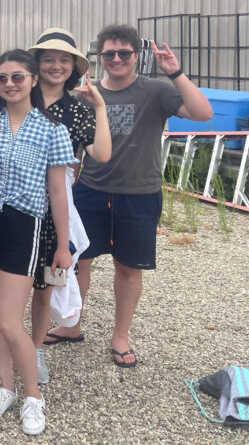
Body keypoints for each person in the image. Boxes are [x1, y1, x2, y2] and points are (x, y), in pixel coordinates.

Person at [45, 25, 212, 368]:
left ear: (137, 56)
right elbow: (72, 150)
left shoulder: (155, 90)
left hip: (138, 192)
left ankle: (120, 336)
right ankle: (71, 324)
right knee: (78, 263)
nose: (117, 59)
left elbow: (202, 113)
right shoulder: (84, 95)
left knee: (128, 269)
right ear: (100, 57)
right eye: (109, 54)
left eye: (124, 53)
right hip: (90, 190)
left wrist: (175, 72)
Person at [0, 49, 76, 437]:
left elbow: (58, 190)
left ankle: (33, 395)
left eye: (17, 77)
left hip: (26, 223)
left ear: (33, 80)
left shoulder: (52, 128)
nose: (9, 84)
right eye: (2, 78)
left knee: (8, 317)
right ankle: (6, 387)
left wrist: (63, 244)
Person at [25, 28, 111, 385]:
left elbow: (102, 154)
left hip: (57, 204)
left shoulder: (77, 110)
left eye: (64, 60)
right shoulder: (18, 94)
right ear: (37, 63)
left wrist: (100, 107)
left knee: (47, 281)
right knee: (5, 280)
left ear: (74, 66)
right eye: (48, 59)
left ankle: (35, 350)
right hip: (15, 197)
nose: (55, 66)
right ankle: (0, 340)